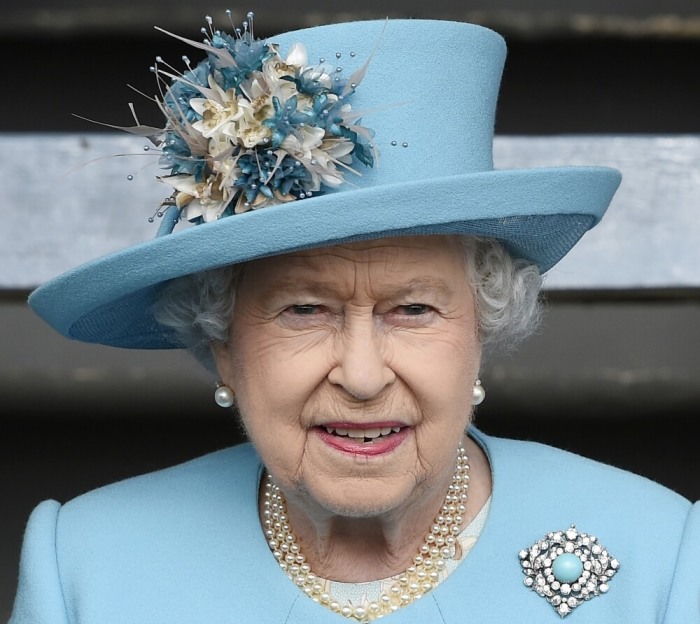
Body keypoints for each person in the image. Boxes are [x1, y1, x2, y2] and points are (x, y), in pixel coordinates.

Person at [9, 11, 699, 624]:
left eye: (413, 309)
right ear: (222, 342)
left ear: (482, 329)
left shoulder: (660, 556)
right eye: (305, 310)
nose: (364, 377)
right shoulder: (86, 567)